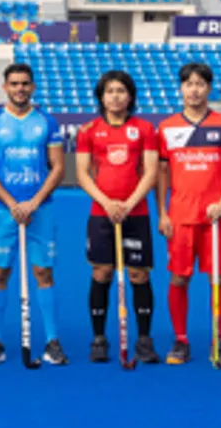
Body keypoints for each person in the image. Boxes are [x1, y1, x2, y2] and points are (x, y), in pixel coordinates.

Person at [0, 63, 68, 365]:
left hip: (40, 209)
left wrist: (33, 202)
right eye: (14, 84)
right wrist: (11, 202)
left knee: (43, 272)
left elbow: (57, 167)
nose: (19, 89)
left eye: (25, 84)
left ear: (33, 87)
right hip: (4, 211)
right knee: (0, 272)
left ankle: (53, 341)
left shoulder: (46, 122)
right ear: (5, 87)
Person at [158, 62, 221, 366]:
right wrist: (162, 213)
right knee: (179, 278)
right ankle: (180, 340)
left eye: (200, 84)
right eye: (189, 84)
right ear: (181, 89)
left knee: (219, 278)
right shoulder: (168, 127)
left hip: (217, 218)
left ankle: (219, 339)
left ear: (209, 88)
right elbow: (162, 174)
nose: (194, 90)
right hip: (180, 216)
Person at [75, 70, 161, 365]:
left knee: (139, 274)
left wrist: (128, 203)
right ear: (101, 96)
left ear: (130, 96)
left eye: (121, 91)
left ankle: (145, 339)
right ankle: (99, 338)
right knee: (102, 273)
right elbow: (82, 174)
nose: (115, 96)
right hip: (101, 213)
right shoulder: (88, 130)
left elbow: (151, 172)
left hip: (136, 213)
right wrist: (108, 203)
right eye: (109, 91)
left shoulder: (145, 129)